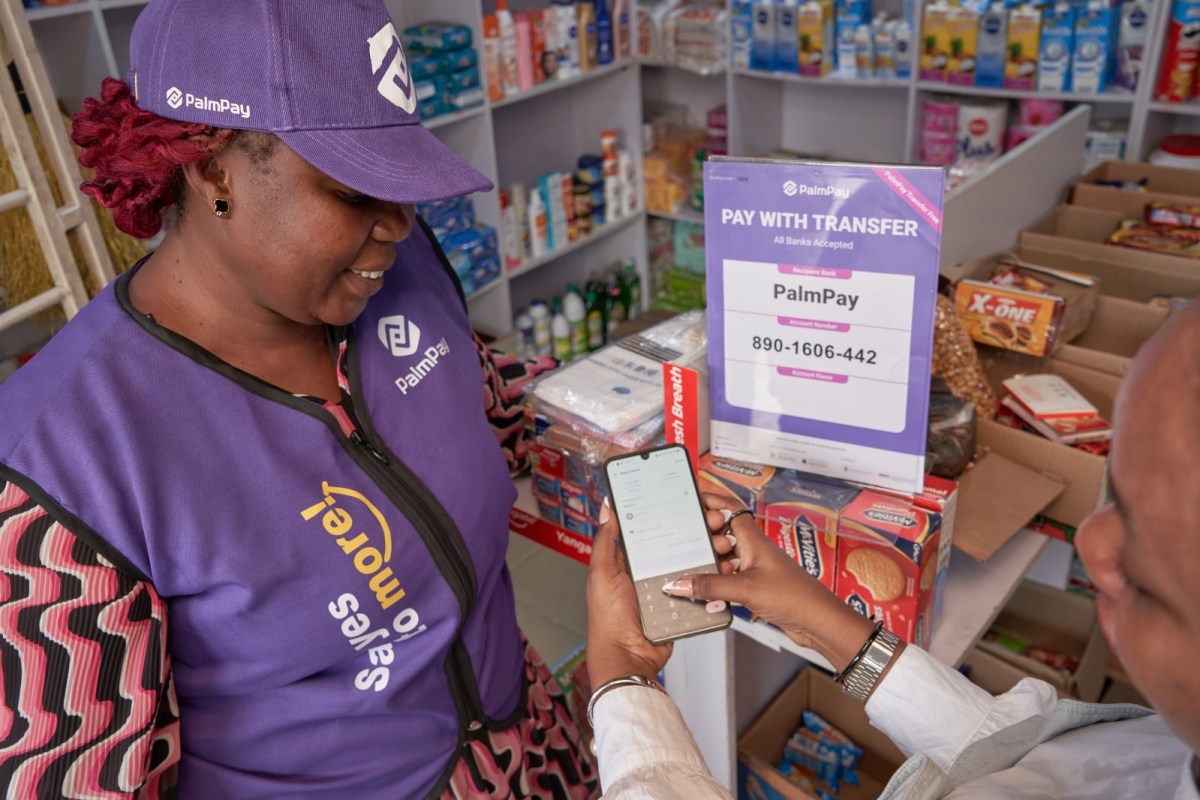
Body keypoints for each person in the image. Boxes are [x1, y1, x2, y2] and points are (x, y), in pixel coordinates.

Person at [0, 1, 596, 798]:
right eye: (353, 189)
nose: (399, 223)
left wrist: (640, 427)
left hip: (534, 746)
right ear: (212, 170)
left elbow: (487, 404)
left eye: (400, 179)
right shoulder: (60, 468)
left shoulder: (403, 274)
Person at [585, 303, 1200, 799]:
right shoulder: (1172, 742)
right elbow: (1027, 756)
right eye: (1114, 492)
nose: (1090, 541)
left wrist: (623, 669)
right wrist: (831, 628)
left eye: (1138, 521)